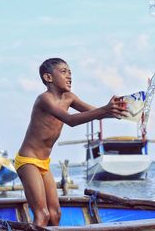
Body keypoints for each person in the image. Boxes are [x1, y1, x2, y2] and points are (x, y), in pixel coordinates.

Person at [14, 58, 127, 227]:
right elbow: (71, 120)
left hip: (44, 163)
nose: (69, 76)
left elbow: (96, 112)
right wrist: (104, 110)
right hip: (28, 161)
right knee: (42, 214)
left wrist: (118, 111)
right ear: (48, 77)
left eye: (70, 73)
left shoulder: (69, 97)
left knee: (55, 214)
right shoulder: (45, 99)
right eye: (63, 72)